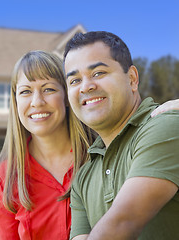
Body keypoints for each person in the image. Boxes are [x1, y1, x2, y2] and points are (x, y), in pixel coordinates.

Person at [63, 31, 179, 239]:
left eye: (98, 73)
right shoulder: (83, 178)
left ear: (132, 78)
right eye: (74, 81)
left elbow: (124, 221)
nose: (86, 86)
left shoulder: (165, 125)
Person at [0, 50, 94, 240]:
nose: (37, 102)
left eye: (48, 89)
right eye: (26, 92)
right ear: (15, 101)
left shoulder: (98, 155)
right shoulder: (4, 179)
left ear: (67, 96)